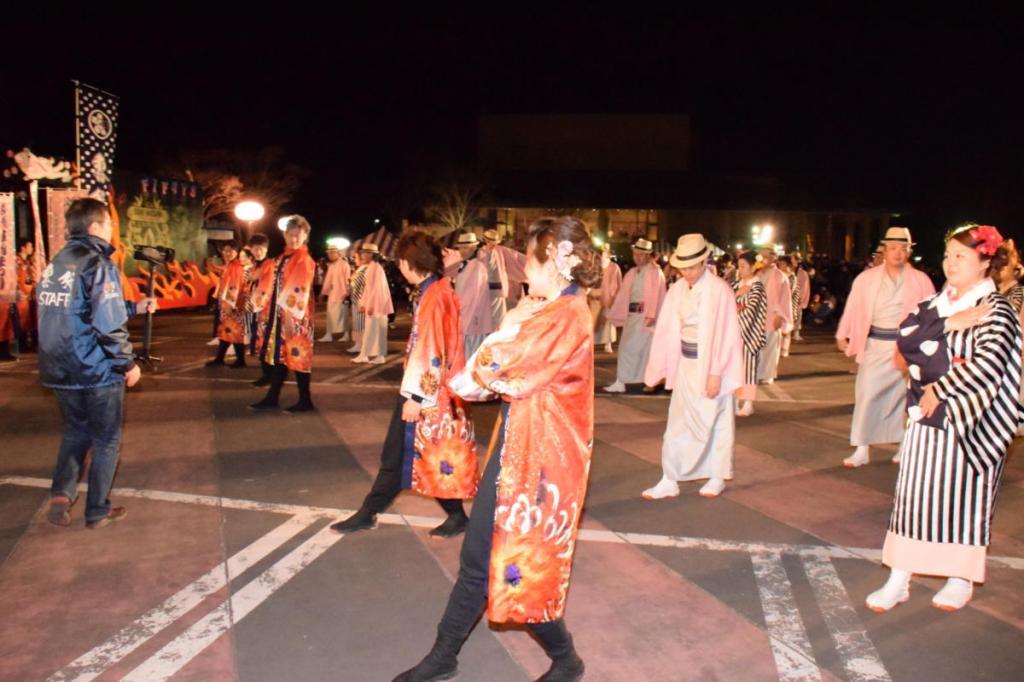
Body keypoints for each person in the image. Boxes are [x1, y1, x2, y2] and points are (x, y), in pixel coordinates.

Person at [394, 216, 597, 682]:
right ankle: (445, 655)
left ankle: (564, 658)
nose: (526, 268)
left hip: (541, 464)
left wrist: (509, 323)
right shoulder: (556, 308)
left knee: (518, 563)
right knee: (486, 557)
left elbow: (480, 378)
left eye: (532, 257)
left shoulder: (562, 315)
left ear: (554, 262)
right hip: (522, 450)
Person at [866, 225, 1023, 613]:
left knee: (963, 500)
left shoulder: (997, 309)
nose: (951, 263)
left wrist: (943, 386)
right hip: (925, 416)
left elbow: (990, 363)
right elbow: (905, 338)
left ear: (986, 261)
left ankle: (960, 577)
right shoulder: (939, 303)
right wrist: (949, 324)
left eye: (961, 256)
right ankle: (899, 576)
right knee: (913, 497)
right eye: (948, 255)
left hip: (971, 421)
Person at [331, 231, 477, 539]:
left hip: (428, 394)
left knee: (416, 454)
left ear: (409, 263)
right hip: (432, 391)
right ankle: (372, 512)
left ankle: (371, 513)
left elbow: (432, 348)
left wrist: (415, 397)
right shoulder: (437, 288)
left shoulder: (435, 294)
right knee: (412, 454)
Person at [37, 198, 152, 528]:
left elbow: (78, 311)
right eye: (110, 225)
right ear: (95, 227)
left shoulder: (56, 264)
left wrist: (134, 307)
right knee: (106, 440)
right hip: (96, 370)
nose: (113, 231)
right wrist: (127, 364)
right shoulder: (98, 263)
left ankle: (61, 495)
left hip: (59, 368)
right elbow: (107, 323)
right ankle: (97, 510)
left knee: (74, 432)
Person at [641, 234, 744, 500]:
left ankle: (717, 474)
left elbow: (727, 334)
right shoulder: (676, 289)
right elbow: (665, 331)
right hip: (685, 362)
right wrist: (658, 369)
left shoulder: (720, 289)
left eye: (692, 267)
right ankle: (669, 477)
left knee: (716, 419)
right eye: (682, 267)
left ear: (703, 262)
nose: (687, 272)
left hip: (711, 364)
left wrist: (715, 373)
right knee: (677, 421)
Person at [836, 227, 935, 467]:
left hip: (907, 347)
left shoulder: (921, 280)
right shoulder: (866, 278)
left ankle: (904, 445)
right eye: (893, 248)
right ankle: (861, 447)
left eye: (903, 249)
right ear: (884, 250)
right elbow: (853, 307)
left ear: (909, 251)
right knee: (866, 394)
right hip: (876, 343)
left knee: (905, 399)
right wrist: (843, 333)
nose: (898, 253)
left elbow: (933, 316)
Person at [249, 215, 317, 413]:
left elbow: (299, 289)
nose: (294, 239)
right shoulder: (282, 258)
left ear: (305, 236)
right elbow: (269, 283)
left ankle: (304, 400)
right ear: (285, 235)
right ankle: (273, 397)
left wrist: (289, 316)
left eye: (298, 235)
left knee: (298, 356)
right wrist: (260, 305)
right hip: (280, 315)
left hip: (295, 317)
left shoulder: (303, 259)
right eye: (290, 234)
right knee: (282, 356)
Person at [604, 238, 666, 392]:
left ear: (647, 255)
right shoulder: (632, 272)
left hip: (646, 316)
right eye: (635, 254)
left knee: (644, 351)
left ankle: (643, 381)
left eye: (641, 255)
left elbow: (658, 296)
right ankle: (623, 380)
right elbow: (624, 295)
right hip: (632, 316)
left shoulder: (655, 272)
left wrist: (652, 316)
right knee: (626, 348)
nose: (637, 258)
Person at [733, 251, 767, 417]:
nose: (740, 270)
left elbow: (752, 311)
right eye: (739, 266)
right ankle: (734, 399)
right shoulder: (736, 285)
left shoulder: (757, 287)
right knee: (734, 368)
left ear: (754, 267)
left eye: (743, 266)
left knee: (748, 368)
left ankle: (748, 402)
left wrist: (734, 316)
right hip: (734, 334)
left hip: (748, 333)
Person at [206, 242, 248, 368]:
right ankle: (221, 358)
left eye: (231, 251)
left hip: (232, 305)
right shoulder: (231, 265)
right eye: (225, 250)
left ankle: (239, 360)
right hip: (228, 304)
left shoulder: (236, 266)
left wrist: (230, 304)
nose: (227, 253)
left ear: (236, 252)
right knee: (227, 331)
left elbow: (234, 287)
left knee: (233, 332)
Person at [452, 231, 493, 360]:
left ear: (473, 248)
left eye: (465, 248)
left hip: (472, 320)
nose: (462, 251)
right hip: (466, 318)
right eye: (460, 248)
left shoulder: (476, 266)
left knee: (471, 356)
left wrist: (464, 319)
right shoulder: (467, 265)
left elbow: (474, 298)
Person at [756, 247, 792, 384]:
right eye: (761, 256)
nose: (762, 259)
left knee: (770, 346)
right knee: (757, 347)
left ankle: (768, 374)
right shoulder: (757, 274)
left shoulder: (779, 275)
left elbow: (783, 298)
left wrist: (780, 316)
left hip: (772, 315)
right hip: (757, 316)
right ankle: (757, 372)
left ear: (773, 258)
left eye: (765, 256)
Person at [352, 243, 393, 364]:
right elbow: (368, 289)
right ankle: (369, 355)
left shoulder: (376, 268)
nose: (363, 255)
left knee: (375, 331)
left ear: (371, 254)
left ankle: (371, 355)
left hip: (377, 306)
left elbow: (377, 290)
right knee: (374, 331)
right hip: (375, 305)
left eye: (365, 253)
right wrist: (364, 304)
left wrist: (371, 305)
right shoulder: (372, 267)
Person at [590, 244, 622, 353]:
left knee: (608, 323)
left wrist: (616, 297)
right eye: (601, 254)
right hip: (596, 297)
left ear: (608, 255)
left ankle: (608, 344)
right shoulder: (595, 266)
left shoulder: (614, 267)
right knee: (594, 321)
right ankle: (593, 343)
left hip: (609, 298)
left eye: (604, 254)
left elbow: (618, 284)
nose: (602, 257)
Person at [318, 243, 352, 343]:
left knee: (344, 315)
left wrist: (348, 293)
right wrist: (323, 293)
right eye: (329, 253)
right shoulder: (331, 266)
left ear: (338, 253)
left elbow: (348, 280)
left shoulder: (345, 265)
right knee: (330, 315)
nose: (330, 254)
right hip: (333, 294)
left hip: (343, 294)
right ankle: (329, 334)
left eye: (332, 252)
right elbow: (327, 280)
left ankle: (346, 335)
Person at [246, 235, 271, 360]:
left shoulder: (269, 264)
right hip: (256, 302)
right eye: (255, 249)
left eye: (261, 248)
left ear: (266, 249)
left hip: (265, 304)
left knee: (263, 331)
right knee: (256, 328)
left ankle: (263, 355)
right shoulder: (256, 264)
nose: (258, 252)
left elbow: (258, 279)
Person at [480, 229, 510, 328]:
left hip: (497, 289)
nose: (493, 244)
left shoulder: (496, 251)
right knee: (493, 320)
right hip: (489, 290)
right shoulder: (482, 252)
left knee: (500, 319)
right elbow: (488, 269)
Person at [16, 240, 39, 352]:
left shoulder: (28, 261)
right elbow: (20, 279)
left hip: (30, 293)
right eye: (29, 246)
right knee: (22, 319)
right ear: (23, 248)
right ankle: (22, 345)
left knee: (30, 318)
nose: (31, 248)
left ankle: (30, 344)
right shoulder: (18, 261)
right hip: (22, 293)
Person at [794, 257, 812, 341]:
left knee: (797, 314)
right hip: (788, 297)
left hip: (797, 297)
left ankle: (796, 332)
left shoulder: (802, 273)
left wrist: (800, 297)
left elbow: (804, 287)